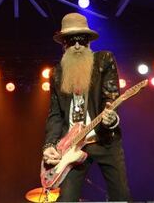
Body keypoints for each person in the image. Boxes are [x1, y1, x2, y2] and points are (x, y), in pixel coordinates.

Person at [42, 13, 132, 201]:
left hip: (104, 139)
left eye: (81, 40)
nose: (76, 45)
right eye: (71, 40)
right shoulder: (56, 72)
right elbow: (55, 114)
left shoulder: (103, 60)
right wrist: (49, 145)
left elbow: (111, 96)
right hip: (71, 146)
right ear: (63, 44)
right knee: (66, 199)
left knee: (121, 196)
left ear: (89, 42)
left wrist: (111, 118)